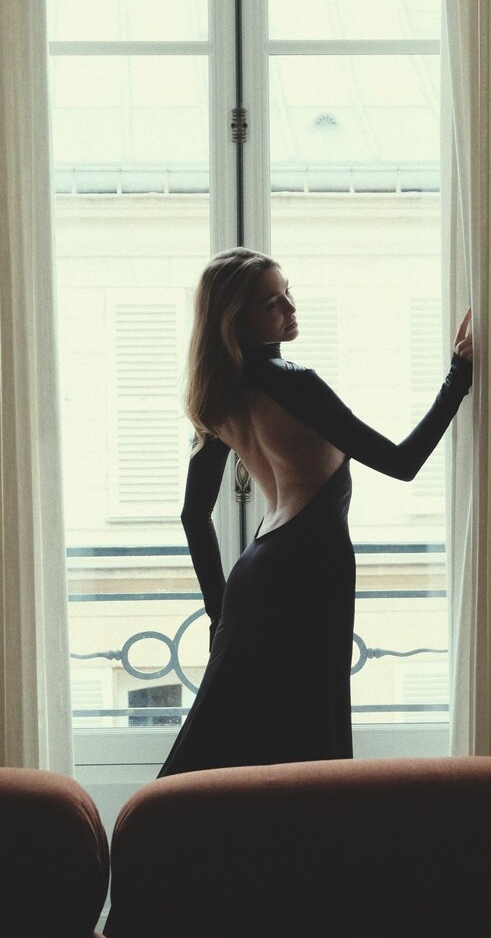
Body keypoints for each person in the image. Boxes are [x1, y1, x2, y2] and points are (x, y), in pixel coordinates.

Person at [158, 246, 473, 777]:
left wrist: (218, 612)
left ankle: (162, 828)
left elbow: (194, 515)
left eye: (288, 293)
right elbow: (402, 463)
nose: (290, 308)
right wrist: (457, 375)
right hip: (311, 569)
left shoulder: (219, 396)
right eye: (272, 304)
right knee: (308, 746)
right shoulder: (296, 383)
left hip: (254, 578)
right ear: (237, 320)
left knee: (223, 744)